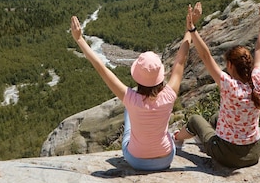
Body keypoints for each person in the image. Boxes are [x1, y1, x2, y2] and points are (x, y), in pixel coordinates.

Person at [70, 9, 200, 172]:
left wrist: (80, 39)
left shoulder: (130, 98)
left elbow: (102, 68)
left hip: (136, 160)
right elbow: (181, 61)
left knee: (128, 115)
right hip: (166, 158)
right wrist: (190, 28)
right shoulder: (169, 94)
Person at [173, 0, 260, 169]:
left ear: (230, 65)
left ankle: (176, 139)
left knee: (194, 120)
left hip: (227, 154)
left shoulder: (229, 85)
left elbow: (206, 57)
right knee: (216, 117)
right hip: (254, 152)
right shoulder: (258, 80)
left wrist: (191, 28)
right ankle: (202, 134)